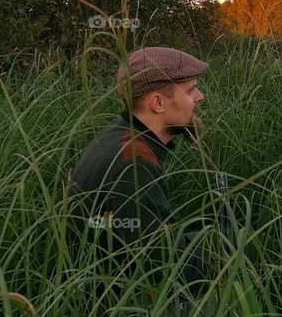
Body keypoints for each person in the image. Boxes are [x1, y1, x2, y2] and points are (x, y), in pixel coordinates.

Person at [67, 46, 210, 301]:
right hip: (107, 305)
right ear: (157, 102)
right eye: (190, 90)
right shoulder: (136, 163)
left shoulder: (119, 134)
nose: (199, 97)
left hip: (103, 274)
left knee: (204, 236)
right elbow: (160, 269)